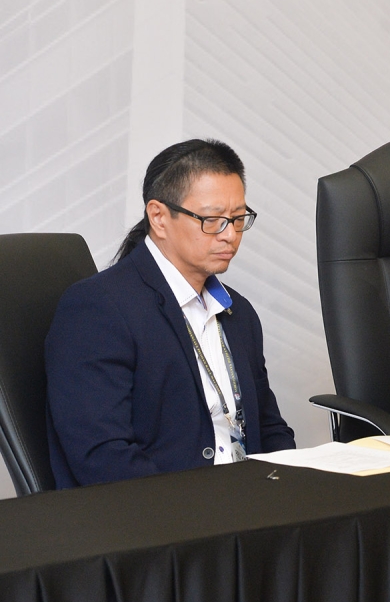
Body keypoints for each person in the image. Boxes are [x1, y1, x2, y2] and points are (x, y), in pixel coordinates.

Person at [46, 139, 295, 488]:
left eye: (238, 219)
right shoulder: (97, 308)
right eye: (212, 220)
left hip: (248, 509)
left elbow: (268, 428)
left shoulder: (238, 312)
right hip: (159, 520)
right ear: (159, 217)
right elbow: (103, 456)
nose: (230, 236)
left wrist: (290, 488)